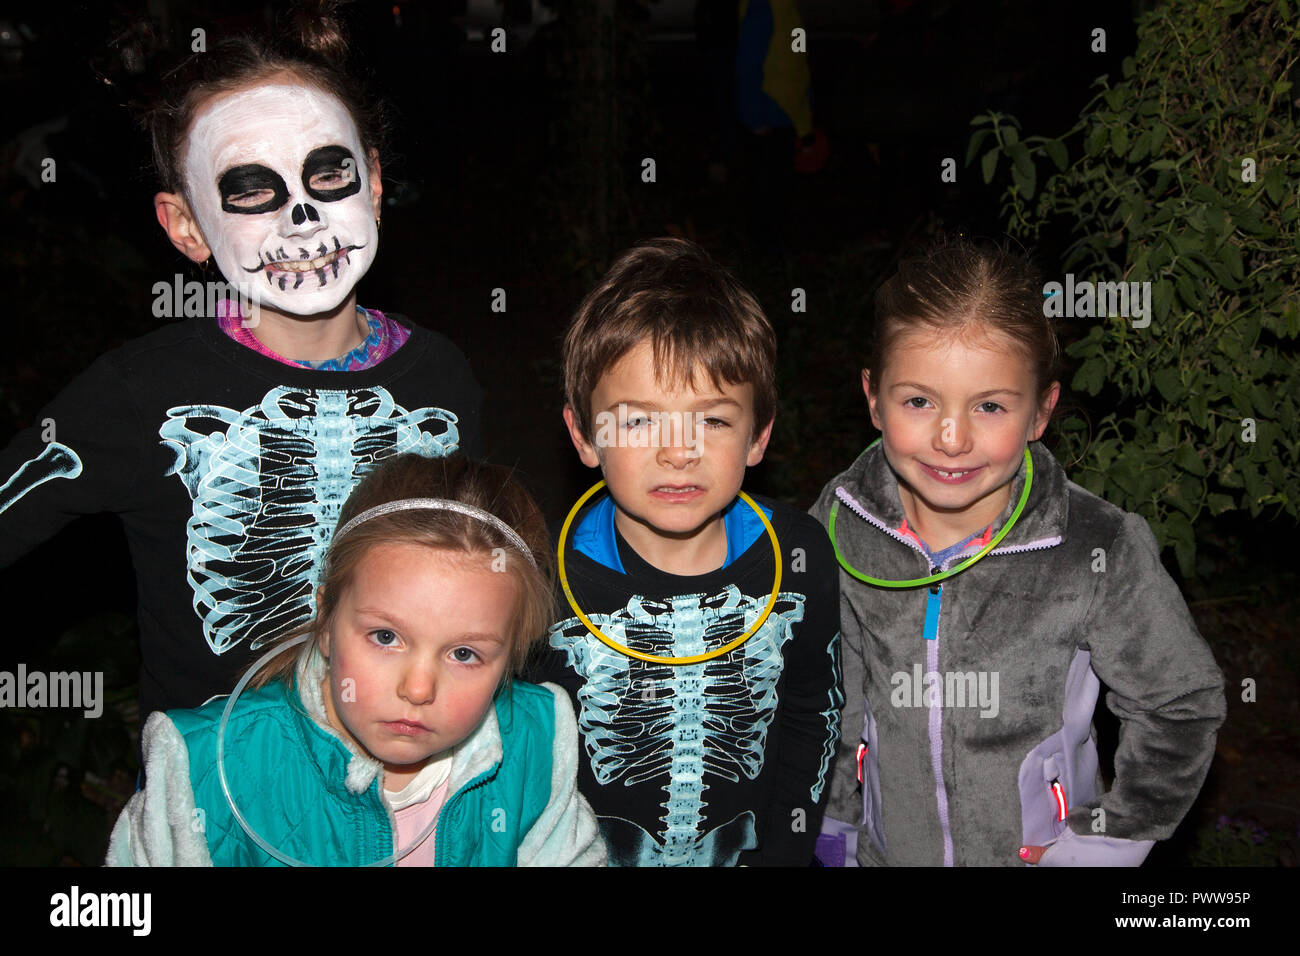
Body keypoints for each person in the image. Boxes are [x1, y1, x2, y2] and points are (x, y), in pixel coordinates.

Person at [0, 4, 482, 726]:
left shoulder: (442, 380)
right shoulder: (140, 395)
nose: (301, 220)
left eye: (329, 175)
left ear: (374, 185)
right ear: (187, 227)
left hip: (413, 794)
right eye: (252, 190)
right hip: (216, 809)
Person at [810, 239, 1225, 866]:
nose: (952, 439)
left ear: (1041, 411)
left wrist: (1103, 844)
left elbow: (1181, 704)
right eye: (919, 401)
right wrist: (835, 825)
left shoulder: (1095, 546)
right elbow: (830, 687)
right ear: (873, 397)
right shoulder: (843, 524)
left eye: (991, 406)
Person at [107, 453, 604, 866]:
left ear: (511, 660)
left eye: (464, 653)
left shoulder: (538, 745)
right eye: (386, 636)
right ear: (326, 620)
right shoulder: (205, 774)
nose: (418, 688)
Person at [533, 237, 843, 866]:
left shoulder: (802, 556)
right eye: (639, 420)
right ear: (584, 436)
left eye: (713, 420)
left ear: (758, 437)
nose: (679, 452)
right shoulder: (542, 580)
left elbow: (814, 711)